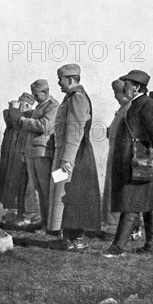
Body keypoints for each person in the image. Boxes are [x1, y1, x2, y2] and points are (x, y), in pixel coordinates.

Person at [104, 70, 153, 257]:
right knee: (147, 202)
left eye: (127, 84)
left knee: (131, 203)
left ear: (136, 87)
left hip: (144, 163)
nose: (124, 88)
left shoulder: (146, 104)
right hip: (140, 163)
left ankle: (117, 248)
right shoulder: (136, 104)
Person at [47, 64, 101, 250]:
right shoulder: (70, 98)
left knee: (72, 195)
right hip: (66, 154)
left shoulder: (77, 99)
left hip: (75, 156)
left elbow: (75, 130)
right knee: (62, 193)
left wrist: (67, 159)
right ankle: (66, 237)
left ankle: (73, 239)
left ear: (70, 79)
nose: (58, 83)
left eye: (61, 79)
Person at [11, 79, 59, 233]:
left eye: (36, 94)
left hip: (42, 152)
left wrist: (24, 120)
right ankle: (45, 222)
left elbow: (45, 126)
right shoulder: (42, 105)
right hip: (34, 152)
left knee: (45, 190)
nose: (34, 97)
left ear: (45, 92)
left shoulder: (53, 106)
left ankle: (48, 225)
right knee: (39, 189)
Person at [0, 92, 36, 224]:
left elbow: (17, 123)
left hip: (21, 154)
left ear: (26, 104)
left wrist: (13, 109)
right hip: (11, 152)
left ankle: (24, 214)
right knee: (8, 180)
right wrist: (12, 109)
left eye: (20, 102)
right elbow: (10, 121)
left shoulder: (31, 115)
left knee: (21, 183)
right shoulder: (19, 115)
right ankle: (11, 210)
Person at [102, 79, 132, 225]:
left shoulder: (129, 109)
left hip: (122, 157)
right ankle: (114, 224)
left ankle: (122, 226)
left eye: (116, 93)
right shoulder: (122, 109)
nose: (115, 96)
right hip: (115, 154)